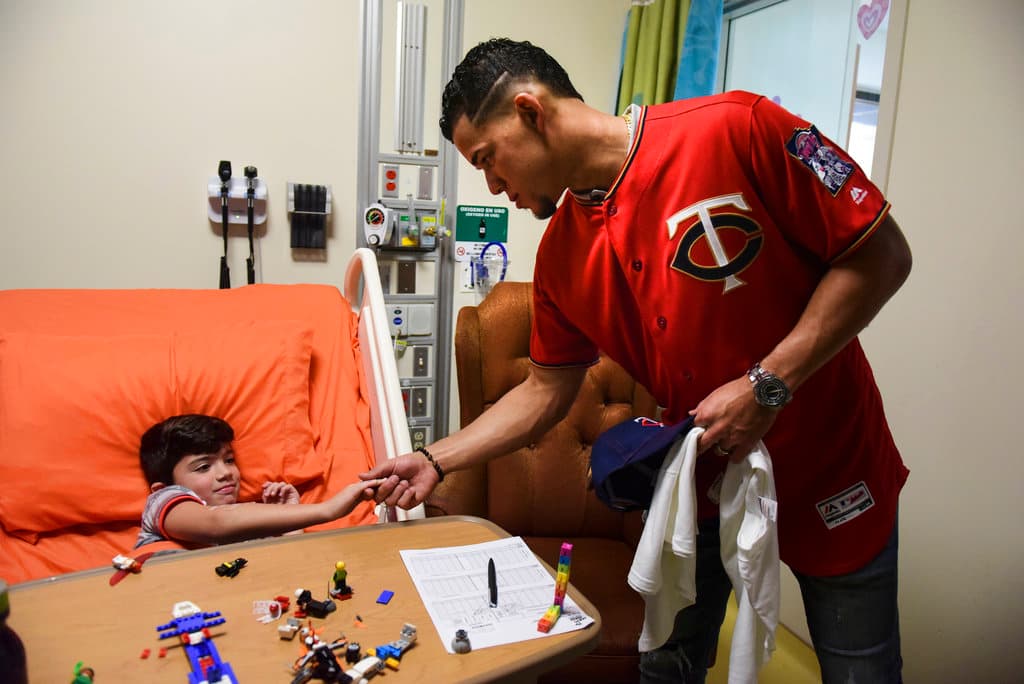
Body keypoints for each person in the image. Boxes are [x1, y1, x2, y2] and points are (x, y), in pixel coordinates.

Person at [361, 38, 911, 683]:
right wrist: (434, 458)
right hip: (697, 481)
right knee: (666, 665)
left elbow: (882, 257)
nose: (493, 186)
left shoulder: (739, 130)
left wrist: (768, 384)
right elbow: (545, 391)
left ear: (531, 113)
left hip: (832, 465)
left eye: (488, 160)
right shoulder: (564, 257)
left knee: (860, 670)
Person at [136, 414, 382, 549]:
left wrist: (289, 520)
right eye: (203, 467)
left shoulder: (248, 531)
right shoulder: (162, 501)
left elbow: (294, 567)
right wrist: (328, 509)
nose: (225, 473)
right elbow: (216, 524)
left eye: (229, 460)